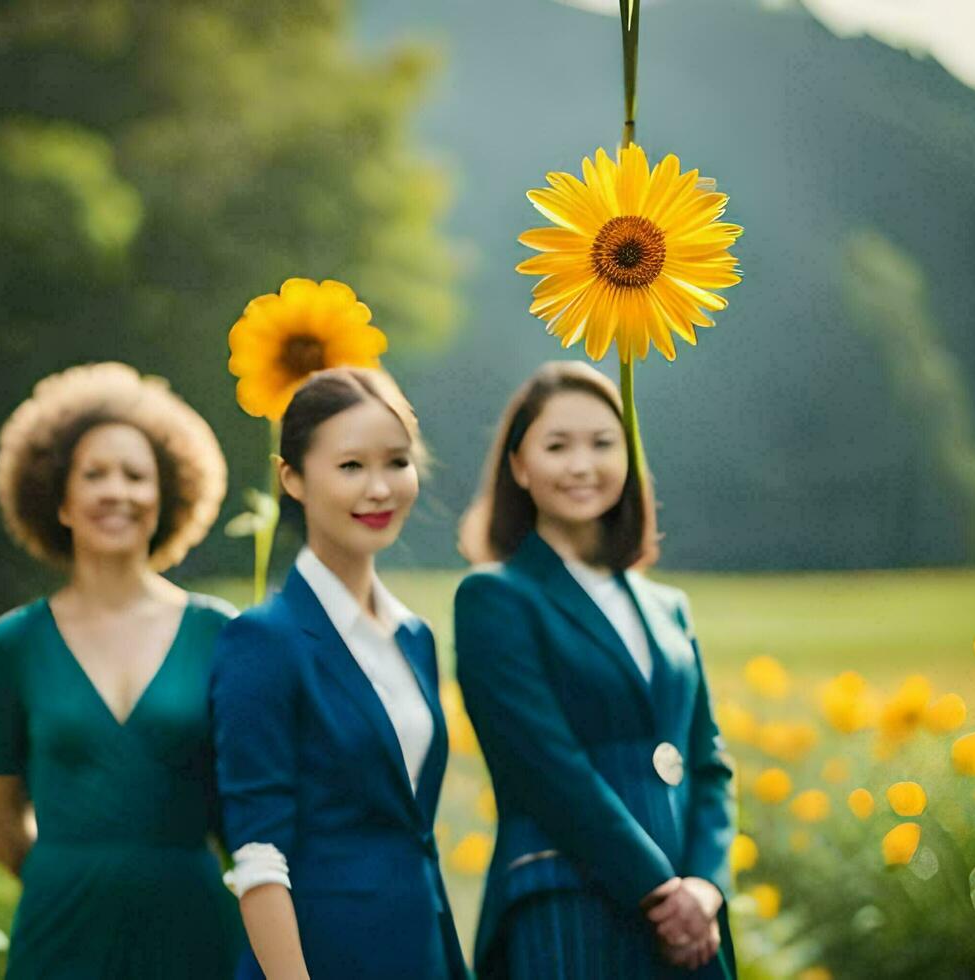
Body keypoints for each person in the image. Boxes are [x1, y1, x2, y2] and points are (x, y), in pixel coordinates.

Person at [454, 360, 736, 979]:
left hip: (693, 918)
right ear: (519, 467)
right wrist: (661, 892)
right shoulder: (495, 598)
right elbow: (546, 767)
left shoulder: (668, 608)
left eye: (603, 444)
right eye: (558, 446)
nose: (583, 464)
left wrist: (707, 888)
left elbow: (709, 763)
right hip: (568, 900)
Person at [0, 362, 245, 979]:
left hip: (194, 929)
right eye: (93, 475)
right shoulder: (11, 647)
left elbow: (249, 811)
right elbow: (1, 830)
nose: (115, 491)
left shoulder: (220, 632)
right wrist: (82, 874)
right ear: (59, 501)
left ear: (166, 496)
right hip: (61, 932)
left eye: (135, 475)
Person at [211, 367, 468, 980]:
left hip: (419, 950)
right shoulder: (262, 641)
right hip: (318, 957)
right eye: (351, 467)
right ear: (292, 478)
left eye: (397, 463)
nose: (380, 488)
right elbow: (258, 854)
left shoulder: (415, 638)